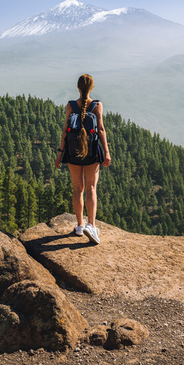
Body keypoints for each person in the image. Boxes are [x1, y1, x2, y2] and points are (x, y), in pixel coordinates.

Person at [55, 74, 111, 244]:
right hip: (92, 152)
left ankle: (80, 226)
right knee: (91, 188)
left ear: (78, 88)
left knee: (77, 188)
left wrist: (60, 153)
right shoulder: (97, 105)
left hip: (73, 152)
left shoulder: (71, 106)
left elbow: (65, 130)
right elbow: (100, 129)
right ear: (91, 88)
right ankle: (91, 226)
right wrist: (106, 152)